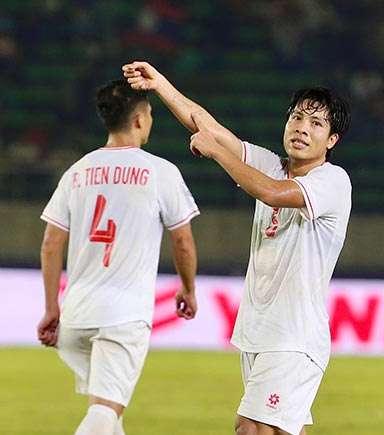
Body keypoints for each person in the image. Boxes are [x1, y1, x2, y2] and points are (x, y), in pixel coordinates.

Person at [122, 61, 351, 435]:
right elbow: (205, 125)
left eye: (316, 123)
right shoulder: (273, 166)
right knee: (278, 430)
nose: (301, 128)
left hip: (293, 337)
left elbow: (271, 193)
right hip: (259, 332)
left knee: (250, 428)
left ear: (331, 141)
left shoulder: (332, 181)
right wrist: (160, 84)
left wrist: (217, 152)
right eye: (297, 117)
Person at [37, 79, 199, 435]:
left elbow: (50, 243)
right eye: (150, 113)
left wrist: (52, 309)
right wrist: (188, 289)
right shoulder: (160, 172)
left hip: (76, 317)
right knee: (104, 412)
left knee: (111, 416)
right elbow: (183, 242)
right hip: (122, 316)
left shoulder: (77, 170)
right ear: (139, 119)